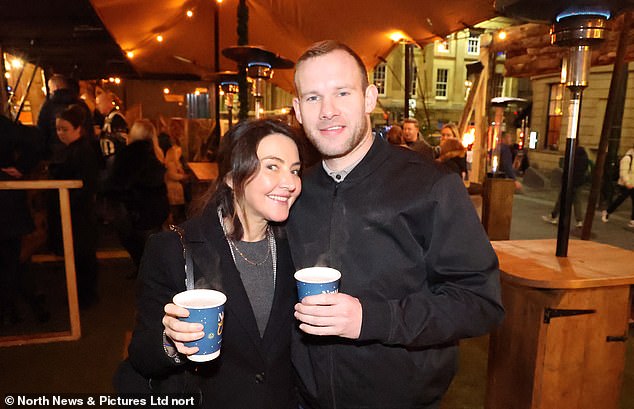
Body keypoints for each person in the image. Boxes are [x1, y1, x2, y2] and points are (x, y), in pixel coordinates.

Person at [288, 40, 504, 409]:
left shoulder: (431, 185)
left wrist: (371, 319)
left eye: (342, 92)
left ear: (369, 98)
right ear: (297, 110)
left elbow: (478, 302)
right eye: (312, 98)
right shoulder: (292, 194)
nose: (328, 111)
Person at [125, 119, 302, 408]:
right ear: (232, 177)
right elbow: (142, 354)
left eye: (295, 170)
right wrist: (171, 341)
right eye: (273, 166)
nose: (291, 182)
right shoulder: (173, 249)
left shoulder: (297, 246)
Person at [49, 105, 101, 308]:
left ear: (78, 128)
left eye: (65, 129)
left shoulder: (82, 151)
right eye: (58, 129)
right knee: (81, 255)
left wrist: (72, 203)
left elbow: (87, 184)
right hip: (75, 211)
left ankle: (85, 297)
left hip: (77, 213)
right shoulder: (74, 149)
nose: (61, 133)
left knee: (82, 255)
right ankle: (82, 295)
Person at [104, 120, 170, 278]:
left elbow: (118, 183)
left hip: (137, 208)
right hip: (153, 208)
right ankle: (151, 273)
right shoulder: (156, 154)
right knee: (150, 244)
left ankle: (146, 273)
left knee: (139, 244)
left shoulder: (128, 155)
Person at [542, 145, 589, 228]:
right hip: (579, 183)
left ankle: (554, 216)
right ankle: (579, 220)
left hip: (569, 182)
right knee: (577, 202)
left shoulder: (573, 158)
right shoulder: (585, 159)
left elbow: (567, 169)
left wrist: (563, 179)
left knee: (561, 200)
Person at [602, 145, 634, 227]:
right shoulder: (627, 158)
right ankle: (607, 212)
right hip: (626, 184)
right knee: (620, 200)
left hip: (633, 183)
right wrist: (627, 182)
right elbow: (623, 172)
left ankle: (633, 220)